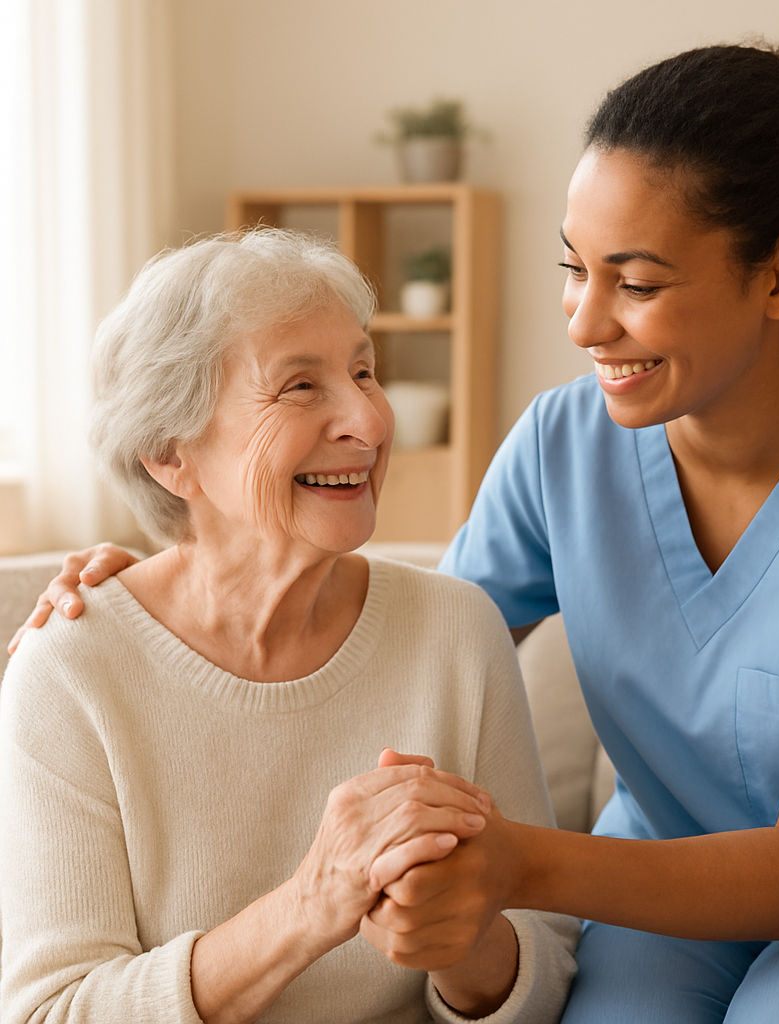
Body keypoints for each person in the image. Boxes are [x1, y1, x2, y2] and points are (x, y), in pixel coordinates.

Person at [15, 20, 779, 1021]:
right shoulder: (563, 443)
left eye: (635, 281)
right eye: (573, 269)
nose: (584, 323)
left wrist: (516, 864)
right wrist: (169, 579)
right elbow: (391, 643)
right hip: (654, 889)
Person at [0, 228, 578, 1024]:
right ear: (171, 454)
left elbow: (547, 965)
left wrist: (462, 937)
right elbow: (51, 1013)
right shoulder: (71, 671)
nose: (368, 422)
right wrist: (315, 902)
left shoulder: (457, 629)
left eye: (364, 371)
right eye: (300, 387)